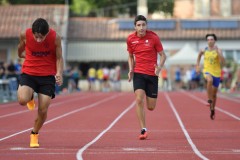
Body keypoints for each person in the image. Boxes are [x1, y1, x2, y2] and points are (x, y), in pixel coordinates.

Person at [17, 18, 64, 147]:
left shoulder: (55, 38)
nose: (38, 40)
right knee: (22, 100)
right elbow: (20, 48)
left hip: (47, 76)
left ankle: (34, 134)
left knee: (43, 110)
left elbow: (59, 58)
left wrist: (59, 73)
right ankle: (30, 96)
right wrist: (21, 54)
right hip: (29, 73)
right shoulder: (24, 34)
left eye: (41, 37)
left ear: (47, 33)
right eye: (36, 36)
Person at [127, 15, 167, 140]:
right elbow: (130, 56)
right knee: (139, 100)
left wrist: (159, 68)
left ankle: (147, 109)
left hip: (152, 74)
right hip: (138, 73)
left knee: (151, 107)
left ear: (146, 26)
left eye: (143, 25)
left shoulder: (154, 38)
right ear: (135, 26)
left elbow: (163, 56)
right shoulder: (130, 39)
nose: (141, 27)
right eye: (139, 25)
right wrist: (130, 70)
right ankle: (143, 129)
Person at [196, 33, 224, 120]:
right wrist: (197, 65)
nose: (210, 41)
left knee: (215, 94)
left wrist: (218, 53)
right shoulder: (204, 50)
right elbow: (199, 55)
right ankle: (209, 99)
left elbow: (223, 62)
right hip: (207, 71)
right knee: (209, 80)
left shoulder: (219, 50)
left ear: (214, 41)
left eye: (211, 39)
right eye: (208, 40)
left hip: (217, 72)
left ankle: (212, 109)